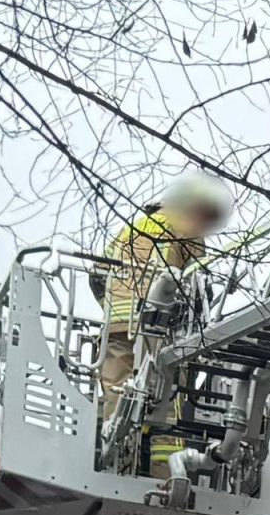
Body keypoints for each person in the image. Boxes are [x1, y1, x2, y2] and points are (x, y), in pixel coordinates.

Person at [98, 177, 232, 472]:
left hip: (118, 324)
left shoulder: (129, 230)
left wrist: (112, 310)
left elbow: (98, 274)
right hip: (159, 325)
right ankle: (162, 470)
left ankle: (115, 451)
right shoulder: (186, 226)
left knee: (118, 388)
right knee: (165, 395)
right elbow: (197, 278)